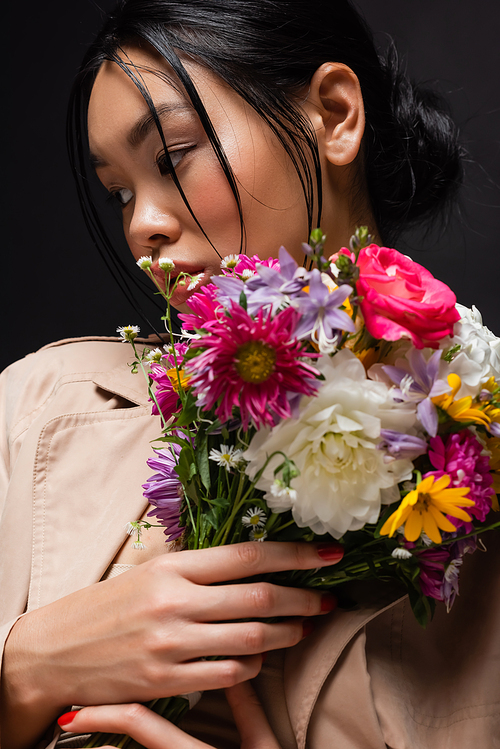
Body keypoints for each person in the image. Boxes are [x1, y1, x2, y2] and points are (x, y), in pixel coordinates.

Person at [1, 1, 499, 748]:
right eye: (121, 192)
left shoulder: (477, 479)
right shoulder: (40, 405)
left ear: (333, 115)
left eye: (172, 157)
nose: (142, 225)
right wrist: (25, 670)